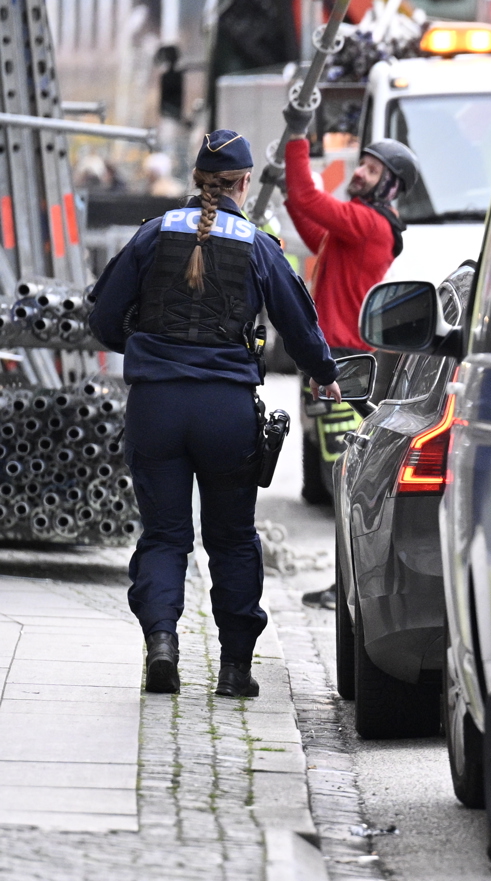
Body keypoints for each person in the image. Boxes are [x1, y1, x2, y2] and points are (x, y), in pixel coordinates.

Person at [89, 129, 342, 697]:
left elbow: (104, 321)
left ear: (197, 180)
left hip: (156, 407)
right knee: (230, 539)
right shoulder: (257, 245)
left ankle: (161, 645)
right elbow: (300, 329)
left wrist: (150, 346)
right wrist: (325, 375)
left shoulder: (153, 235)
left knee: (163, 536)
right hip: (227, 412)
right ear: (244, 184)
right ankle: (234, 669)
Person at [281, 109, 418, 606]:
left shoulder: (370, 225)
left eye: (371, 169)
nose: (359, 172)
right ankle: (348, 585)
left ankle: (350, 588)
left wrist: (297, 139)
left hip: (345, 368)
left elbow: (308, 198)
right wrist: (287, 188)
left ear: (390, 186)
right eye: (361, 164)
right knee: (340, 475)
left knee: (345, 479)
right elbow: (312, 225)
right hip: (337, 364)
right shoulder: (357, 231)